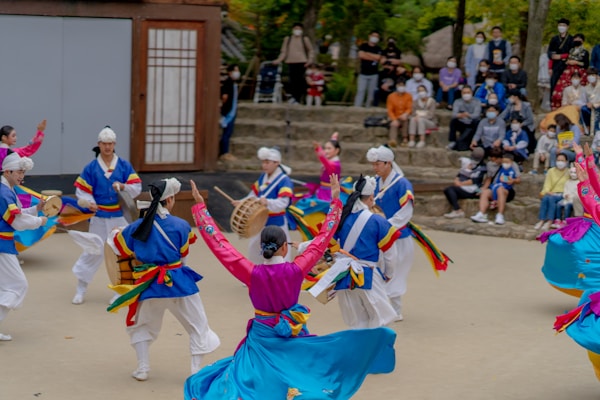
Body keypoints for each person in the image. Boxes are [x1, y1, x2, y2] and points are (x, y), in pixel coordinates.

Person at [184, 175, 397, 400]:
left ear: (262, 248)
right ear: (285, 248)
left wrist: (200, 210)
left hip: (262, 335)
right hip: (292, 332)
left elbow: (220, 245)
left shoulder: (251, 273)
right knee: (302, 375)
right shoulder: (297, 270)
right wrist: (335, 201)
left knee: (248, 379)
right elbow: (324, 236)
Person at [106, 178, 220, 381]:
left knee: (142, 325)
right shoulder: (181, 225)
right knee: (197, 325)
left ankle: (143, 368)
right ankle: (195, 370)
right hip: (179, 283)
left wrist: (117, 232)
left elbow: (120, 247)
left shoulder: (137, 226)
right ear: (169, 200)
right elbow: (183, 257)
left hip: (150, 285)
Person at [70, 127, 142, 305]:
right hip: (100, 216)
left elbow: (136, 187)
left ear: (114, 145)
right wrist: (88, 201)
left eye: (110, 144)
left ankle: (120, 290)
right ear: (99, 145)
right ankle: (81, 288)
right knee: (93, 250)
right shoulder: (91, 168)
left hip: (119, 216)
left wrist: (123, 186)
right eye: (104, 144)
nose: (107, 147)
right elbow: (82, 191)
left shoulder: (124, 165)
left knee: (121, 252)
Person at [332, 174, 401, 326]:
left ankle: (358, 349)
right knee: (380, 319)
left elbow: (328, 240)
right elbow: (390, 254)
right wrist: (389, 273)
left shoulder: (343, 218)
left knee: (355, 321)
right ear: (371, 197)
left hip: (345, 274)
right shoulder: (378, 221)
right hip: (368, 273)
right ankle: (374, 349)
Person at [0, 152, 47, 341]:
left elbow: (17, 214)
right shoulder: (5, 193)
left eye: (23, 173)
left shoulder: (7, 190)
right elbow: (17, 222)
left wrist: (36, 210)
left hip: (4, 244)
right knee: (18, 284)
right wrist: (40, 220)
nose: (21, 176)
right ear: (8, 171)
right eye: (19, 172)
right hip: (2, 246)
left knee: (6, 287)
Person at [366, 145, 413, 322]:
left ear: (388, 163)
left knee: (396, 272)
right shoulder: (375, 182)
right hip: (381, 235)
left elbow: (406, 213)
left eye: (378, 164)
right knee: (380, 270)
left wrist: (385, 225)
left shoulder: (402, 184)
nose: (375, 168)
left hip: (398, 236)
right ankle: (382, 308)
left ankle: (395, 310)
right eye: (373, 164)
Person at [234, 147, 293, 264]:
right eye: (263, 162)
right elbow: (253, 195)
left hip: (276, 221)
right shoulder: (263, 177)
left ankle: (283, 275)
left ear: (277, 163)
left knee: (281, 248)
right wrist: (242, 202)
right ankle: (255, 274)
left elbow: (284, 202)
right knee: (254, 247)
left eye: (267, 162)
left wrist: (268, 202)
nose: (264, 165)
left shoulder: (284, 180)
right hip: (259, 220)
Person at [471, 151, 521, 225]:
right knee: (485, 193)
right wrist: (483, 189)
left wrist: (512, 180)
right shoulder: (492, 165)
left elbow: (518, 180)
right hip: (495, 187)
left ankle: (500, 215)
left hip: (506, 189)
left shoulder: (513, 166)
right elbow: (489, 178)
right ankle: (481, 213)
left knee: (500, 190)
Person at [273, 22, 315, 104]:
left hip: (302, 61)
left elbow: (310, 50)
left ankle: (298, 98)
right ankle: (293, 97)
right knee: (292, 80)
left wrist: (310, 60)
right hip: (291, 61)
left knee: (300, 80)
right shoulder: (288, 39)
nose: (297, 31)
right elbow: (284, 51)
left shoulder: (304, 39)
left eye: (299, 29)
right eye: (296, 29)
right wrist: (278, 60)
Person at [443, 147, 487, 219]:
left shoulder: (482, 167)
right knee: (448, 190)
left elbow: (475, 180)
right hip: (463, 186)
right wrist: (457, 181)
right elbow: (460, 174)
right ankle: (457, 209)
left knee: (450, 189)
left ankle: (457, 210)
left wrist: (461, 184)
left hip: (474, 189)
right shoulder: (468, 162)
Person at [551, 33, 589, 110]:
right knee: (558, 93)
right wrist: (568, 61)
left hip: (580, 73)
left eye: (580, 38)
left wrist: (576, 62)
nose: (577, 40)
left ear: (583, 41)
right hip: (567, 72)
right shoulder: (570, 50)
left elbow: (586, 64)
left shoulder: (585, 52)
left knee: (580, 93)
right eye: (576, 38)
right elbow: (563, 60)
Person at [533, 152, 569, 231]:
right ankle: (542, 220)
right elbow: (547, 184)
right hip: (551, 193)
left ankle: (550, 221)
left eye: (562, 160)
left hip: (563, 194)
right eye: (558, 160)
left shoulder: (569, 172)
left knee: (551, 199)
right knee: (546, 198)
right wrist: (548, 191)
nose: (560, 162)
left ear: (566, 162)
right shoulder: (551, 171)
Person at [499, 89, 536, 154]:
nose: (509, 98)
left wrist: (521, 124)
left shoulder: (526, 106)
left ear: (516, 97)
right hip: (513, 124)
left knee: (524, 131)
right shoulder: (510, 106)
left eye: (510, 97)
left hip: (524, 125)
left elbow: (530, 119)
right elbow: (503, 115)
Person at [354, 31, 383, 107]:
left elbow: (379, 58)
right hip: (363, 73)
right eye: (373, 35)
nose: (375, 38)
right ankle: (357, 107)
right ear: (369, 36)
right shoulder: (363, 46)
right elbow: (361, 55)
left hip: (374, 74)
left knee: (371, 93)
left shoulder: (378, 48)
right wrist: (373, 57)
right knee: (360, 91)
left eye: (377, 36)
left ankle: (368, 108)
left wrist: (367, 54)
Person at [447, 86, 482, 151]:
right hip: (462, 122)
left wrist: (467, 115)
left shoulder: (477, 101)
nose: (466, 94)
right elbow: (454, 114)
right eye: (464, 93)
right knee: (453, 121)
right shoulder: (457, 101)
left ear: (471, 93)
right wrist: (462, 115)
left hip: (472, 123)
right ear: (461, 93)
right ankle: (452, 141)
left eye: (468, 92)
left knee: (477, 122)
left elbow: (476, 115)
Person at [311, 132, 342, 201]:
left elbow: (324, 160)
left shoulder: (335, 165)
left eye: (329, 149)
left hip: (329, 194)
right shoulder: (330, 161)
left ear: (336, 151)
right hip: (322, 190)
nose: (326, 151)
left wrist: (318, 149)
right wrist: (333, 138)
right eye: (325, 148)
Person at [219, 64, 240, 161]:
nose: (237, 73)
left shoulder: (233, 83)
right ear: (230, 72)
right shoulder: (228, 82)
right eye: (235, 70)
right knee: (226, 133)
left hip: (232, 110)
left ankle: (224, 151)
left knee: (228, 132)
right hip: (228, 111)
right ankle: (224, 152)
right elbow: (224, 97)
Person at [548, 18, 574, 95]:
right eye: (560, 25)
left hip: (566, 65)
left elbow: (572, 53)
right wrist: (550, 67)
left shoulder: (571, 39)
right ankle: (553, 104)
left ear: (567, 27)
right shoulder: (554, 39)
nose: (561, 27)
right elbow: (550, 52)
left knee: (565, 84)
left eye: (563, 25)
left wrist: (561, 56)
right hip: (555, 65)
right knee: (554, 84)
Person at [386, 78, 413, 147]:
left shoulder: (409, 96)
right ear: (396, 86)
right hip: (395, 116)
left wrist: (406, 114)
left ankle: (405, 139)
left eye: (403, 85)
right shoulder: (391, 96)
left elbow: (409, 108)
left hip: (405, 116)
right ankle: (393, 140)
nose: (401, 87)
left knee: (405, 120)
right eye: (399, 85)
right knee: (393, 124)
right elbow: (390, 110)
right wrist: (394, 119)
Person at [582, 67, 600, 133]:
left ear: (597, 76)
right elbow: (584, 100)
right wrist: (587, 103)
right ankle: (588, 128)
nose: (591, 77)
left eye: (593, 75)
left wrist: (594, 104)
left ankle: (596, 130)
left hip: (598, 106)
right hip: (591, 108)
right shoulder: (586, 87)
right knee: (584, 109)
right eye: (589, 75)